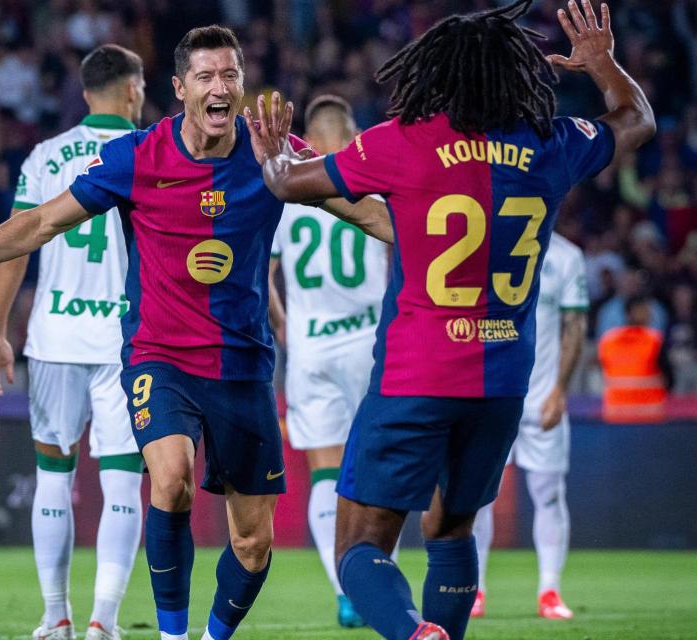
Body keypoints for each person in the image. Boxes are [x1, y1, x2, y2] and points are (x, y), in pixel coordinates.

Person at [0, 25, 390, 640]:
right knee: (171, 480)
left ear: (241, 84)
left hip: (242, 365)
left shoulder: (272, 152)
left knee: (253, 542)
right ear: (179, 89)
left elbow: (361, 207)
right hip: (160, 354)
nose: (219, 87)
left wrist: (444, 246)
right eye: (204, 77)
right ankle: (172, 635)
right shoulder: (137, 157)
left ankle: (210, 635)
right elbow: (42, 221)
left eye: (229, 75)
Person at [244, 1, 655, 639]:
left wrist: (272, 152)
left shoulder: (400, 141)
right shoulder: (553, 142)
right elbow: (636, 120)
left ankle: (416, 634)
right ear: (515, 74)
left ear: (435, 75)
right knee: (451, 527)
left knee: (359, 547)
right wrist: (601, 63)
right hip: (501, 383)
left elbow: (288, 183)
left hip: (416, 374)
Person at [0, 45, 146, 640]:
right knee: (123, 480)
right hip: (126, 340)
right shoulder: (149, 149)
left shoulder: (45, 155)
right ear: (133, 90)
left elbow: (17, 243)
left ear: (84, 94)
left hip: (55, 336)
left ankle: (56, 615)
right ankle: (104, 620)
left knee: (55, 476)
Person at [268, 94, 388, 629]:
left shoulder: (288, 192)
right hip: (369, 342)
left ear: (309, 139)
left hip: (310, 347)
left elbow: (262, 274)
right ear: (355, 132)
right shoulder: (375, 184)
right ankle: (376, 577)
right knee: (378, 466)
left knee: (324, 471)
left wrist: (283, 324)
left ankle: (345, 590)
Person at [471, 232, 588, 620]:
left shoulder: (567, 256)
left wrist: (560, 390)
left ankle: (549, 591)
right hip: (493, 395)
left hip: (541, 401)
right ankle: (475, 591)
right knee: (478, 498)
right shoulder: (486, 240)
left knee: (549, 493)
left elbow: (575, 325)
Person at [598, 293, 674, 423]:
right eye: (645, 309)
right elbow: (669, 378)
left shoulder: (607, 340)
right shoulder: (654, 340)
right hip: (649, 417)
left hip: (616, 416)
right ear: (631, 312)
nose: (649, 314)